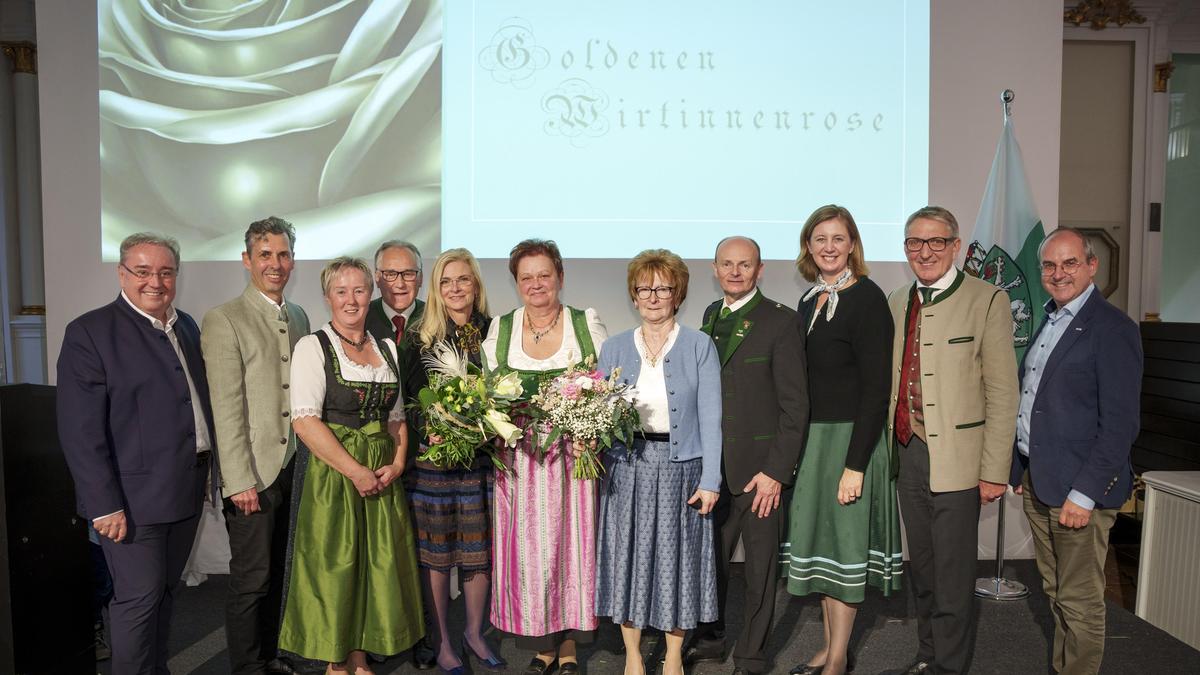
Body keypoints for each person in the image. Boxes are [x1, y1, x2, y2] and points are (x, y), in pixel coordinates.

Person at [57, 232, 219, 674]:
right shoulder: (90, 332)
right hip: (130, 502)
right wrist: (103, 505)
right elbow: (79, 430)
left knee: (165, 595)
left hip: (184, 492)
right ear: (122, 273)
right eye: (143, 271)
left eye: (165, 272)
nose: (155, 282)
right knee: (137, 601)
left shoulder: (184, 324)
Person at [886, 206, 1018, 675]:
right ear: (905, 249)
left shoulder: (987, 300)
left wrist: (993, 471)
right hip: (909, 454)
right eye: (915, 243)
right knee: (921, 567)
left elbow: (1003, 393)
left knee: (954, 573)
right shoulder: (897, 299)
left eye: (936, 242)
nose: (925, 252)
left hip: (961, 461)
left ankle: (949, 666)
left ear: (956, 246)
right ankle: (928, 655)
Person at [278, 257, 424, 674]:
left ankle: (360, 656)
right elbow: (305, 420)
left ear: (371, 293)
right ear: (327, 297)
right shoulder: (313, 346)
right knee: (336, 565)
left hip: (381, 473)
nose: (351, 299)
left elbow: (396, 417)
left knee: (376, 565)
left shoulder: (387, 348)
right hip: (335, 474)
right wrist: (356, 471)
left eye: (359, 290)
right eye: (341, 291)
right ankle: (335, 662)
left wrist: (396, 464)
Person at [1009, 227, 1142, 675]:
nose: (1058, 273)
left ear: (1091, 266)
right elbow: (1035, 399)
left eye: (1069, 263)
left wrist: (1084, 494)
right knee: (1056, 593)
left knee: (1080, 600)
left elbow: (1120, 425)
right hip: (1040, 479)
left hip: (1077, 490)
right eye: (1050, 265)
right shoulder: (1052, 319)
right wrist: (1016, 468)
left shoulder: (1112, 328)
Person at [783, 206, 903, 675]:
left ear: (852, 244)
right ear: (807, 247)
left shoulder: (867, 299)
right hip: (816, 441)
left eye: (838, 238)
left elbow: (876, 390)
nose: (828, 247)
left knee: (845, 550)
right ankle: (832, 646)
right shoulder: (810, 300)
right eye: (819, 239)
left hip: (852, 442)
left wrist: (855, 465)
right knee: (827, 552)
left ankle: (837, 659)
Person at [481, 239, 608, 675]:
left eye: (544, 275)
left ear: (560, 277)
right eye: (526, 277)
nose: (536, 284)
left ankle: (569, 643)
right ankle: (544, 641)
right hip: (518, 463)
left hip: (572, 461)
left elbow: (606, 392)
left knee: (569, 550)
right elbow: (484, 397)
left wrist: (590, 429)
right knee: (530, 554)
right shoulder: (501, 329)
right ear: (516, 283)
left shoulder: (584, 323)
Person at [595, 249, 723, 675]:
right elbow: (598, 414)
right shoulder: (613, 347)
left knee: (677, 564)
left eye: (662, 288)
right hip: (626, 466)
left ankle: (671, 658)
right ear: (633, 294)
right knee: (627, 560)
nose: (653, 296)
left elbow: (711, 417)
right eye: (644, 288)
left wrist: (710, 479)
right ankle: (633, 657)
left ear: (677, 294)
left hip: (680, 468)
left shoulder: (699, 345)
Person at [688, 236, 809, 675]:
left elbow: (796, 407)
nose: (735, 272)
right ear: (715, 269)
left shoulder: (781, 321)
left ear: (759, 271)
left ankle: (753, 655)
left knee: (760, 571)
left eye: (745, 265)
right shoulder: (708, 317)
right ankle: (712, 638)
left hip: (761, 474)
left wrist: (776, 471)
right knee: (711, 564)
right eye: (727, 264)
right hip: (714, 471)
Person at [202, 216, 310, 675]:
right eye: (265, 254)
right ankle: (247, 667)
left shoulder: (300, 315)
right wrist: (238, 480)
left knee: (281, 574)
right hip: (253, 474)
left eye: (283, 254)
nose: (275, 263)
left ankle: (271, 656)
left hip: (295, 468)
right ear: (247, 260)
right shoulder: (223, 318)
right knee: (250, 581)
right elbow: (225, 408)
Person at [408, 249, 505, 673]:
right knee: (437, 556)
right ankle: (444, 642)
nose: (455, 289)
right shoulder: (419, 336)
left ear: (476, 285)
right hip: (434, 465)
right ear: (435, 289)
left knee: (478, 554)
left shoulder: (496, 332)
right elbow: (408, 402)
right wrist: (428, 427)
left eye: (463, 280)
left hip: (479, 463)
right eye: (446, 282)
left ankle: (473, 633)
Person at [365, 239, 437, 669]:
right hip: (376, 454)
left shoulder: (436, 315)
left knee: (423, 553)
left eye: (407, 273)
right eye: (390, 274)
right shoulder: (357, 314)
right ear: (377, 278)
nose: (399, 283)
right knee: (381, 552)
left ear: (420, 277)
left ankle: (423, 634)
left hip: (428, 455)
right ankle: (377, 634)